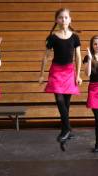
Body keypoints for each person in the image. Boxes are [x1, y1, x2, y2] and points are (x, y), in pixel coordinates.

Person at [38, 8, 82, 149]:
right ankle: (68, 128)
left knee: (66, 103)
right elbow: (46, 56)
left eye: (66, 17)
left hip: (69, 72)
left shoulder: (75, 37)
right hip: (56, 71)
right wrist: (41, 74)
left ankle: (65, 130)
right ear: (57, 20)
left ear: (70, 20)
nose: (63, 20)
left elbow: (78, 57)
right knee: (59, 99)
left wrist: (79, 75)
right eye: (61, 18)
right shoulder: (52, 37)